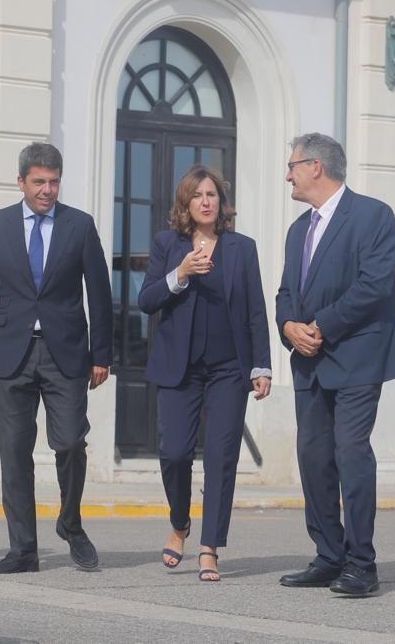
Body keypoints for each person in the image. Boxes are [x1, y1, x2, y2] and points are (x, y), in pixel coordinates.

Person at [0, 142, 113, 573]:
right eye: (39, 182)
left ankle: (70, 523)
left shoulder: (79, 226)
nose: (47, 190)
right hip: (10, 353)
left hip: (66, 353)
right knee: (14, 451)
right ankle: (23, 550)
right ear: (22, 181)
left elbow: (99, 295)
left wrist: (101, 354)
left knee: (69, 441)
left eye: (54, 182)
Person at [274, 133, 395, 596]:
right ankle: (329, 556)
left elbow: (374, 286)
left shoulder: (372, 215)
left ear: (316, 166)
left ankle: (361, 563)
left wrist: (320, 325)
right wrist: (289, 326)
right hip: (309, 361)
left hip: (356, 355)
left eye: (292, 165)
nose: (287, 173)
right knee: (314, 459)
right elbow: (285, 293)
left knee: (351, 454)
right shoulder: (298, 230)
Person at [137, 165, 271, 583]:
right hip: (180, 369)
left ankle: (210, 547)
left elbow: (255, 309)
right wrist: (181, 274)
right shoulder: (167, 245)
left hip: (229, 369)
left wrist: (261, 364)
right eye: (198, 196)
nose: (206, 201)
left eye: (212, 194)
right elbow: (146, 300)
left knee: (220, 458)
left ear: (221, 202)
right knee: (174, 453)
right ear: (186, 203)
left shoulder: (241, 249)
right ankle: (180, 523)